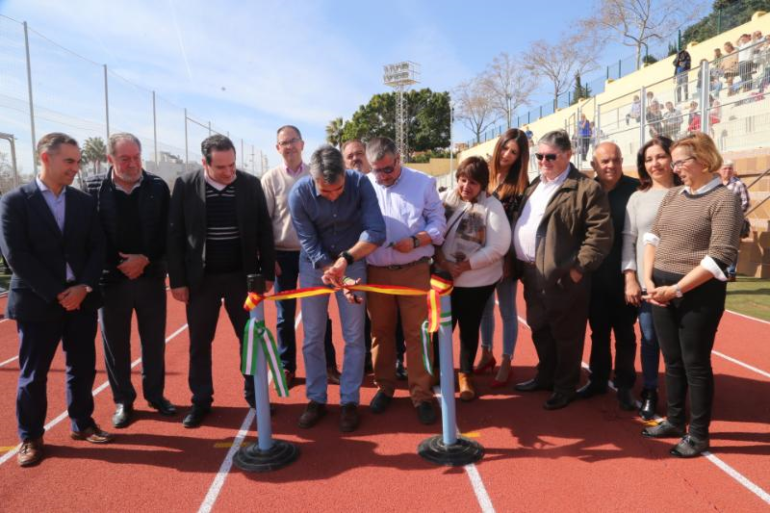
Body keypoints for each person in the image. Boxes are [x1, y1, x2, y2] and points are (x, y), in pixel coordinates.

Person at [0, 133, 113, 468]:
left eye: (78, 161)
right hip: (38, 301)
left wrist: (83, 288)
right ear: (45, 158)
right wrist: (56, 293)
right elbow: (15, 255)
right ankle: (30, 437)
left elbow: (97, 247)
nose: (75, 168)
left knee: (82, 366)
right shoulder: (14, 201)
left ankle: (82, 422)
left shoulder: (82, 201)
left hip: (81, 298)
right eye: (69, 161)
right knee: (33, 374)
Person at [641, 132, 742, 458]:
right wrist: (648, 282)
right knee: (671, 361)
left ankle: (698, 435)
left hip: (698, 295)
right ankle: (674, 420)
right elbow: (652, 239)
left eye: (680, 161)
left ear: (702, 159)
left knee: (695, 364)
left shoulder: (724, 200)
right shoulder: (672, 196)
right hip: (661, 291)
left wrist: (678, 289)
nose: (675, 167)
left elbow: (719, 257)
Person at [167, 134, 275, 428]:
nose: (229, 172)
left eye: (232, 165)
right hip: (202, 281)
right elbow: (174, 235)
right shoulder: (186, 186)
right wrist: (177, 280)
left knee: (249, 340)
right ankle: (201, 401)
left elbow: (265, 231)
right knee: (200, 343)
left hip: (242, 278)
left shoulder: (250, 184)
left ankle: (255, 396)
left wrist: (266, 274)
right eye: (222, 167)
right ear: (205, 163)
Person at [288, 145, 386, 432]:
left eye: (338, 189)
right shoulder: (299, 194)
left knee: (355, 336)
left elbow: (376, 231)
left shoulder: (360, 183)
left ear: (345, 173)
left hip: (353, 262)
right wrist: (326, 267)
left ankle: (349, 401)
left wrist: (345, 260)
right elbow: (307, 239)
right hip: (313, 267)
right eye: (325, 191)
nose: (332, 195)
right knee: (313, 335)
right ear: (313, 178)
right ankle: (316, 398)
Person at [512, 130, 612, 411]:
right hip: (532, 275)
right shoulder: (535, 185)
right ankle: (546, 376)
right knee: (540, 329)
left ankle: (565, 386)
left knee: (566, 335)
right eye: (540, 156)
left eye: (550, 156)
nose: (544, 161)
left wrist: (578, 271)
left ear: (567, 155)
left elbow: (600, 235)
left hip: (565, 278)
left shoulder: (586, 188)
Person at [85, 133, 175, 429]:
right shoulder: (91, 187)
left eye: (136, 157)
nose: (133, 163)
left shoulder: (157, 187)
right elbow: (89, 236)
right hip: (110, 281)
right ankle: (124, 400)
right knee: (116, 345)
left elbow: (167, 232)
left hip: (150, 278)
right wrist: (120, 264)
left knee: (153, 342)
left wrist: (144, 259)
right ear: (110, 159)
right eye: (125, 158)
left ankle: (155, 395)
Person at [364, 137, 446, 424]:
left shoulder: (423, 183)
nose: (384, 176)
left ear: (398, 159)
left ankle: (421, 394)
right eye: (378, 171)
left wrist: (417, 239)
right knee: (381, 332)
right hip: (376, 274)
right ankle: (384, 388)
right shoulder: (365, 185)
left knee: (418, 333)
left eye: (388, 169)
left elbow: (438, 223)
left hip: (414, 269)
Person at [261, 126, 339, 388]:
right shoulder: (270, 179)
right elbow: (263, 221)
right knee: (284, 316)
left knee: (320, 315)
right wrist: (267, 257)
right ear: (277, 148)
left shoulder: (315, 175)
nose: (289, 146)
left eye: (293, 141)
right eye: (284, 142)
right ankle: (287, 367)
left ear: (303, 144)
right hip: (282, 257)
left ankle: (328, 366)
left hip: (312, 256)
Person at [434, 156, 510, 402]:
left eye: (473, 183)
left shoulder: (492, 207)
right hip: (443, 278)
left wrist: (465, 266)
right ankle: (438, 371)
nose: (466, 186)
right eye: (462, 180)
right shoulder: (445, 200)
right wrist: (445, 264)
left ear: (483, 185)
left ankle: (465, 375)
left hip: (476, 283)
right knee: (441, 328)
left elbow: (499, 246)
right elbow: (431, 232)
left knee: (468, 329)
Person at [622, 136, 681, 420]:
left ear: (673, 158)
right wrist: (630, 278)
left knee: (682, 342)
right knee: (649, 339)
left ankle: (680, 394)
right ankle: (649, 390)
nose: (655, 163)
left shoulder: (689, 193)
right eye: (648, 159)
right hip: (649, 284)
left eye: (660, 156)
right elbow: (628, 239)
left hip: (683, 280)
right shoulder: (638, 197)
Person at [580, 142, 640, 410]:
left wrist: (634, 274)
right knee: (599, 333)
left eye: (615, 160)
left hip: (627, 276)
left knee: (625, 334)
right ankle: (598, 380)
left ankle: (625, 384)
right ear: (594, 164)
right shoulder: (586, 190)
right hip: (595, 278)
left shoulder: (636, 189)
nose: (611, 166)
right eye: (604, 161)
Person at [342, 139, 406, 378]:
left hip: (382, 260)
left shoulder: (377, 183)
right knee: (363, 318)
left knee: (394, 316)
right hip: (357, 262)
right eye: (350, 156)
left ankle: (398, 359)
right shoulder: (344, 187)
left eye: (359, 153)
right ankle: (368, 359)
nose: (356, 159)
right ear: (344, 161)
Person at [475, 129, 529, 388]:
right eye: (505, 148)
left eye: (514, 152)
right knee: (485, 309)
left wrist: (509, 261)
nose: (507, 155)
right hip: (479, 254)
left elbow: (516, 225)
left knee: (507, 310)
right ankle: (486, 353)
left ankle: (507, 359)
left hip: (504, 256)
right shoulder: (482, 176)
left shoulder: (520, 185)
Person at [718, 160, 750, 281]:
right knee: (719, 245)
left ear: (733, 171)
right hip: (717, 220)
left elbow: (746, 202)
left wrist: (735, 214)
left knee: (732, 247)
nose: (727, 171)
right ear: (720, 171)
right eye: (725, 168)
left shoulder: (739, 184)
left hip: (734, 220)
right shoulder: (716, 184)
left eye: (730, 168)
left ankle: (731, 273)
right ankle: (722, 271)